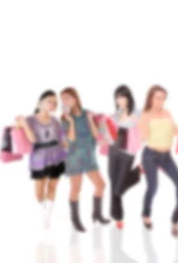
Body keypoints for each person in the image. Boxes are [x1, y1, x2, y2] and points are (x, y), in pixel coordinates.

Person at [60, 87, 110, 232]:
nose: (65, 101)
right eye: (63, 99)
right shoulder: (64, 118)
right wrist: (71, 121)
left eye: (68, 98)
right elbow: (70, 139)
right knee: (76, 188)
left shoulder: (87, 113)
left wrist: (89, 119)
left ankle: (97, 214)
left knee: (101, 185)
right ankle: (75, 219)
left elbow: (96, 135)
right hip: (74, 156)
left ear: (75, 98)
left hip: (89, 155)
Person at [16, 90, 68, 229]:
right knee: (39, 194)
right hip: (39, 160)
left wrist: (69, 145)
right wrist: (23, 124)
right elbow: (32, 139)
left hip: (57, 157)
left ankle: (47, 216)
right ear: (40, 102)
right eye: (49, 101)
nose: (52, 104)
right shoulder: (30, 120)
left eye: (55, 103)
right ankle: (44, 209)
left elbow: (63, 139)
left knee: (52, 187)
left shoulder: (55, 121)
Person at [138, 85, 178, 237]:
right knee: (153, 187)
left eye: (163, 98)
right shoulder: (145, 114)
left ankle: (177, 217)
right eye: (158, 98)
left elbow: (176, 131)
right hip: (150, 155)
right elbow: (143, 137)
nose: (161, 101)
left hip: (166, 156)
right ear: (151, 98)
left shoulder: (167, 113)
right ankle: (146, 215)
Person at [107, 85, 142, 230]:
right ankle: (118, 217)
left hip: (127, 152)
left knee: (119, 187)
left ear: (128, 98)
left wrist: (114, 119)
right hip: (114, 150)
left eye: (122, 97)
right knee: (113, 184)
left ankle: (137, 173)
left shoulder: (136, 112)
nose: (120, 100)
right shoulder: (117, 113)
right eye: (117, 97)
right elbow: (108, 131)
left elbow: (129, 123)